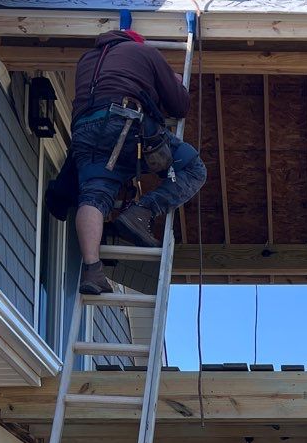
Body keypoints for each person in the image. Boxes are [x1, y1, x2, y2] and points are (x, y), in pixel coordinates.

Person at [70, 28, 207, 294]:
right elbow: (179, 106)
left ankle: (92, 269)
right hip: (124, 124)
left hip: (84, 132)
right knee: (192, 168)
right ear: (136, 41)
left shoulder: (86, 59)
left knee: (94, 196)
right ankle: (142, 212)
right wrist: (175, 83)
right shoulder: (144, 52)